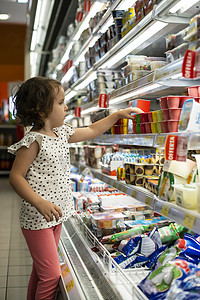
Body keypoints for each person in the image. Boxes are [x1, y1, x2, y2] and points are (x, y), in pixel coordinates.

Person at [8, 76, 143, 300]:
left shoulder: (62, 133)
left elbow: (91, 130)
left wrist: (116, 115)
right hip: (37, 218)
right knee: (51, 275)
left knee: (40, 272)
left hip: (56, 215)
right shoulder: (33, 141)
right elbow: (16, 177)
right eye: (61, 103)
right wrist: (39, 202)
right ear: (42, 110)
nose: (66, 106)